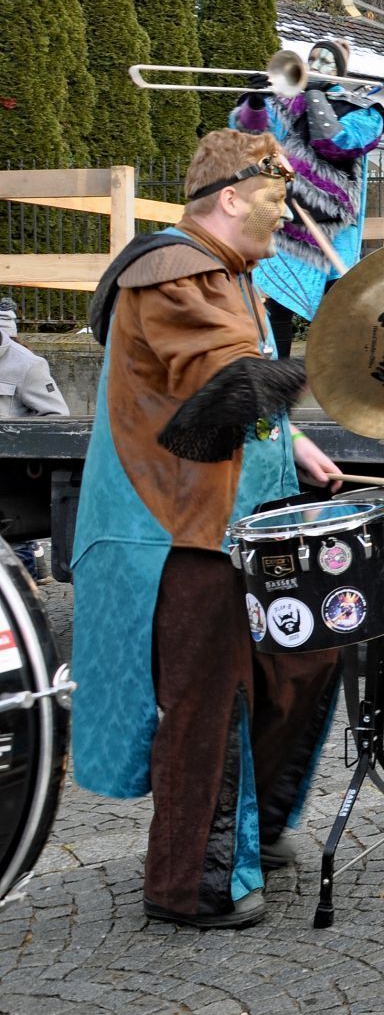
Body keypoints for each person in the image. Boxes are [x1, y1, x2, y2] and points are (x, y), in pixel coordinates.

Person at [70, 129, 347, 930]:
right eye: (272, 200)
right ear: (229, 197)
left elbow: (233, 387)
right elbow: (225, 384)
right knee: (205, 705)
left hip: (237, 518)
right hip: (177, 530)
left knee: (309, 652)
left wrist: (294, 439)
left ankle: (250, 830)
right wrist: (348, 356)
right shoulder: (175, 271)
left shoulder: (229, 271)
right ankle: (191, 883)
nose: (284, 215)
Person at [233, 40, 384, 359]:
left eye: (326, 61)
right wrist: (258, 102)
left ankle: (342, 394)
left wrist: (315, 94)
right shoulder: (287, 101)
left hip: (333, 223)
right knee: (266, 303)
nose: (316, 63)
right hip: (276, 212)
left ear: (340, 72)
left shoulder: (364, 110)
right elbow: (246, 133)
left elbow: (336, 144)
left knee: (338, 306)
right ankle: (273, 389)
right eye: (312, 58)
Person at [0, 297, 68, 574]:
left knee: (12, 554)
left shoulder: (26, 364)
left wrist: (15, 437)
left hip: (4, 483)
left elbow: (56, 419)